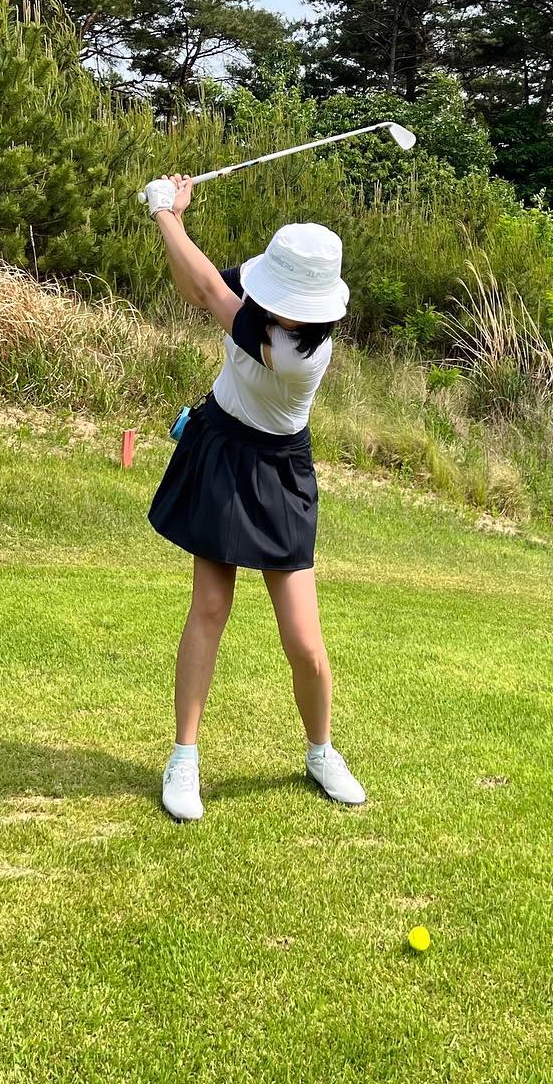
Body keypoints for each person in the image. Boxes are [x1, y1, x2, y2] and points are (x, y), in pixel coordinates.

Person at [142, 172, 366, 822]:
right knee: (210, 606)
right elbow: (195, 289)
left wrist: (164, 214)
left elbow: (212, 293)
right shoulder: (263, 292)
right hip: (221, 444)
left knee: (304, 641)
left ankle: (320, 750)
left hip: (278, 469)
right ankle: (184, 756)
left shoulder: (300, 354)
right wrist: (177, 218)